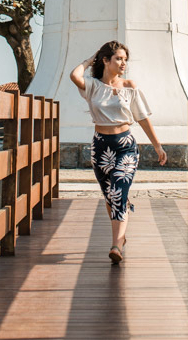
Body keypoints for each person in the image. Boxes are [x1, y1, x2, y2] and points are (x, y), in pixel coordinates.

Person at [70, 40, 167, 264]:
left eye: (125, 59)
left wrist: (157, 145)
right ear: (106, 60)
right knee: (110, 196)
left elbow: (142, 117)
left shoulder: (129, 85)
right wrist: (87, 61)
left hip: (125, 146)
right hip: (101, 146)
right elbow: (74, 76)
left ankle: (116, 244)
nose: (123, 63)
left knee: (117, 193)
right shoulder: (93, 86)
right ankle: (121, 233)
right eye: (118, 59)